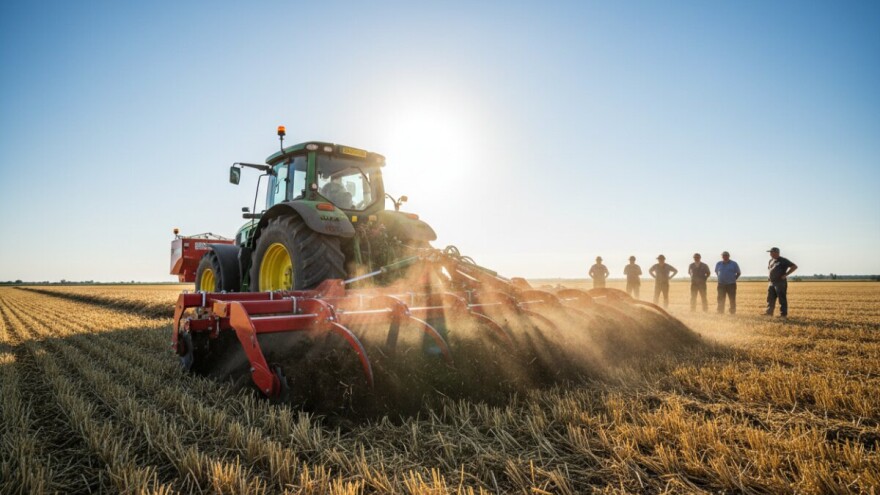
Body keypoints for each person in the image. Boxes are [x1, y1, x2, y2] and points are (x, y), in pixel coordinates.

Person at [765, 247, 798, 318]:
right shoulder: (771, 260)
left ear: (777, 253)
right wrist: (769, 277)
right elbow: (770, 270)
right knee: (770, 298)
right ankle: (769, 313)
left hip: (780, 283)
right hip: (771, 283)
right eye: (770, 252)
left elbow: (794, 266)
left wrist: (786, 274)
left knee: (781, 299)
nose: (770, 254)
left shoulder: (783, 260)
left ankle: (783, 315)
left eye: (771, 252)